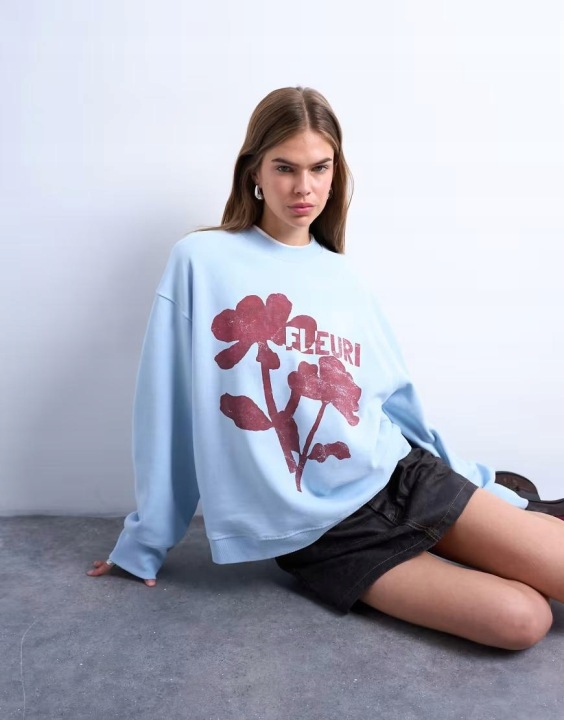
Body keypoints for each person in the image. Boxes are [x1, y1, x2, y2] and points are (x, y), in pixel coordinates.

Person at [88, 86, 564, 650]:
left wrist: (481, 486)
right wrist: (144, 544)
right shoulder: (201, 261)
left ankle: (506, 516)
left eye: (320, 168)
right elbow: (166, 410)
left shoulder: (345, 277)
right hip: (325, 536)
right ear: (254, 171)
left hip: (403, 478)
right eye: (285, 167)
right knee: (523, 621)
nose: (304, 187)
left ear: (336, 173)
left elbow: (396, 405)